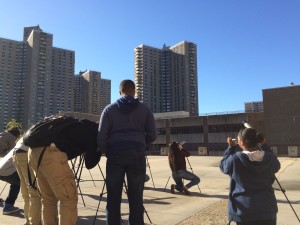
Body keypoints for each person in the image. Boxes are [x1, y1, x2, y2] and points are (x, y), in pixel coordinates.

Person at [98, 79, 157, 225]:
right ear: (134, 91)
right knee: (136, 197)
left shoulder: (109, 109)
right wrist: (142, 144)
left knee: (113, 197)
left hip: (115, 155)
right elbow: (153, 134)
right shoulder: (144, 109)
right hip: (137, 155)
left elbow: (101, 136)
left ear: (120, 92)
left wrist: (108, 151)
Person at [28, 117, 101, 225]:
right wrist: (100, 147)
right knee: (68, 199)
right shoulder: (94, 133)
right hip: (51, 153)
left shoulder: (80, 125)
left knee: (48, 198)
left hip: (33, 152)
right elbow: (89, 163)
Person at [219, 127, 281, 225]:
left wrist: (230, 148)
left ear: (242, 143)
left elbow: (223, 166)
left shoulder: (235, 159)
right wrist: (264, 146)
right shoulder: (270, 157)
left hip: (244, 211)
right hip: (267, 209)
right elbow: (277, 166)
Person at [13, 137, 41, 225]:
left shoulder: (37, 128)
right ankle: (34, 221)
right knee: (34, 191)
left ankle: (28, 220)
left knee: (25, 186)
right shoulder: (49, 129)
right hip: (24, 153)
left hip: (16, 153)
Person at [0, 146, 21, 215]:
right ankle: (8, 206)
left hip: (1, 166)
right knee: (17, 183)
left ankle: (8, 205)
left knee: (15, 182)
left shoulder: (17, 147)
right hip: (7, 170)